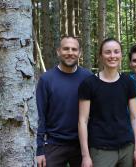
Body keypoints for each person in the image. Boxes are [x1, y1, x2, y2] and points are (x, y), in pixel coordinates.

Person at [78, 38, 136, 167]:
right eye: (108, 52)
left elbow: (135, 117)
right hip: (100, 149)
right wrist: (85, 155)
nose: (112, 56)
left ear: (121, 55)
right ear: (101, 56)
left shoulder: (127, 82)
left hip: (127, 148)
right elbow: (82, 121)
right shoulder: (89, 84)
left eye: (116, 52)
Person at [36, 36, 92, 167]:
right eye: (66, 49)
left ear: (80, 53)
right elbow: (40, 116)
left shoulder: (88, 78)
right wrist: (39, 149)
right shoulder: (46, 79)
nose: (70, 53)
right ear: (58, 51)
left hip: (82, 145)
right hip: (53, 145)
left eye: (74, 49)